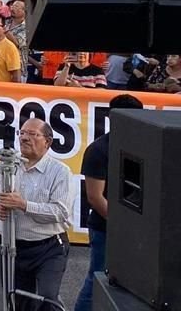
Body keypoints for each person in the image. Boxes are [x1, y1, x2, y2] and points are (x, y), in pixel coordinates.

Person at [0, 118, 73, 311]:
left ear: (48, 142)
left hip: (48, 247)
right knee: (19, 301)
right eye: (22, 133)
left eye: (32, 134)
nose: (24, 138)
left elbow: (61, 211)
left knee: (48, 299)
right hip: (12, 246)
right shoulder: (5, 166)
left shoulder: (60, 172)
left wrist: (24, 205)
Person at [73, 94, 144, 311]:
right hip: (105, 228)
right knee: (98, 278)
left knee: (135, 283)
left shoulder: (146, 146)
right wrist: (122, 225)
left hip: (138, 229)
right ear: (114, 118)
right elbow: (95, 197)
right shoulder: (99, 150)